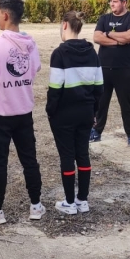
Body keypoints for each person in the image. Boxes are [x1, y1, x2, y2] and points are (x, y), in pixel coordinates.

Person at [0, 0, 45, 223]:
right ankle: (36, 205)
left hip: (0, 114)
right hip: (24, 112)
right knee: (29, 160)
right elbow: (34, 70)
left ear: (5, 15)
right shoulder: (31, 44)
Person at [46, 11, 103, 215]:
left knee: (67, 156)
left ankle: (69, 202)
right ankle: (82, 200)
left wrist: (50, 111)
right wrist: (94, 111)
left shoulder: (59, 54)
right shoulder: (92, 52)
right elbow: (99, 86)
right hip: (86, 111)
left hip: (64, 113)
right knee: (83, 154)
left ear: (64, 26)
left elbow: (55, 88)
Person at [90, 0, 130, 149]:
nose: (111, 4)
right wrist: (119, 40)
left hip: (124, 69)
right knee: (100, 103)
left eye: (115, 1)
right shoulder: (104, 18)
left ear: (124, 2)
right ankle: (96, 131)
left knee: (127, 104)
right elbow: (97, 38)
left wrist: (109, 34)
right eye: (110, 1)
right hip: (104, 68)